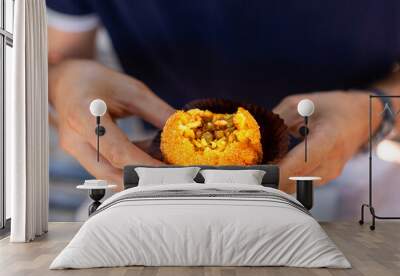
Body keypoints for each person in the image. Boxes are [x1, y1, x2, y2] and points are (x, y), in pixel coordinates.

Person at [47, 1, 400, 192]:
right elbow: (61, 56)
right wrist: (63, 82)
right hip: (159, 176)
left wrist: (376, 112)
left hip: (358, 173)